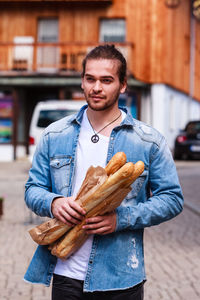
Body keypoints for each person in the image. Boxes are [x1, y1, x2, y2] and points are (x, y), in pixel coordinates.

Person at [24, 44, 184, 300]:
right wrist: (54, 203)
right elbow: (32, 189)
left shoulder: (148, 141)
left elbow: (172, 199)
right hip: (66, 275)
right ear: (82, 81)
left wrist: (121, 219)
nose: (96, 87)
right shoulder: (55, 135)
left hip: (119, 278)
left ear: (122, 85)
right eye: (90, 79)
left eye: (106, 80)